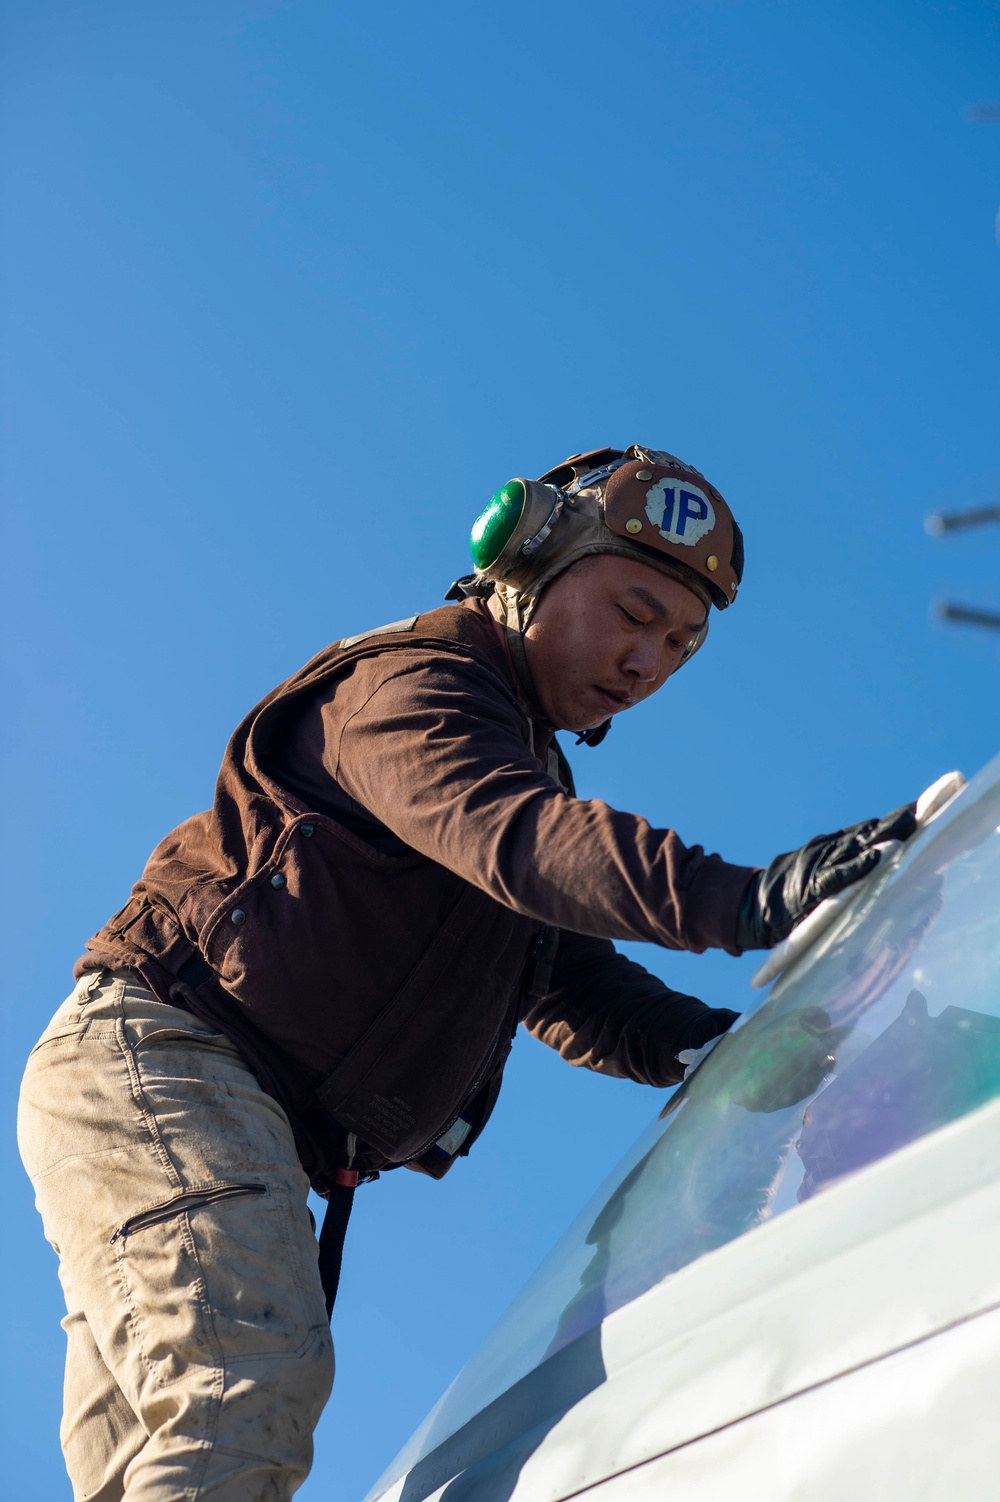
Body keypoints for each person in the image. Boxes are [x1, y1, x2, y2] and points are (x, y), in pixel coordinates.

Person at [18, 443, 917, 1500]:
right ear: (527, 562)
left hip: (207, 1102)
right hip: (171, 1063)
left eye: (680, 643)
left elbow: (567, 975)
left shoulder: (523, 757)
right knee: (242, 1386)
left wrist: (714, 1046)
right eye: (633, 612)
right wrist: (754, 897)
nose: (648, 662)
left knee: (162, 1460)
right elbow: (523, 841)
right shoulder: (415, 684)